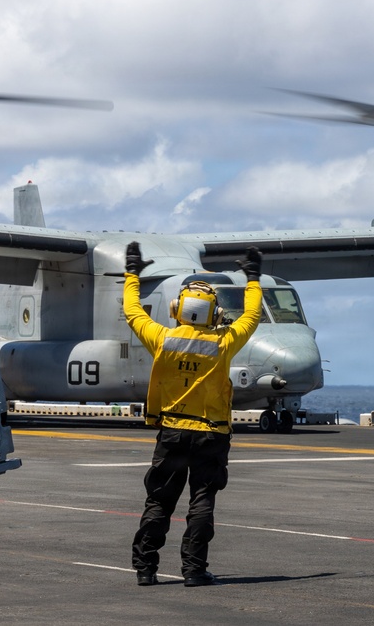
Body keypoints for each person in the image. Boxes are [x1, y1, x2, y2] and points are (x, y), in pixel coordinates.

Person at [123, 241, 262, 588]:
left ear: (177, 309)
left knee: (159, 501)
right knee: (202, 502)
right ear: (214, 313)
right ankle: (194, 571)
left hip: (171, 433)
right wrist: (253, 278)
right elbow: (252, 316)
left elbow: (133, 312)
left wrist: (131, 274)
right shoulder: (223, 343)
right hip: (211, 435)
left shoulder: (162, 339)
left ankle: (145, 569)